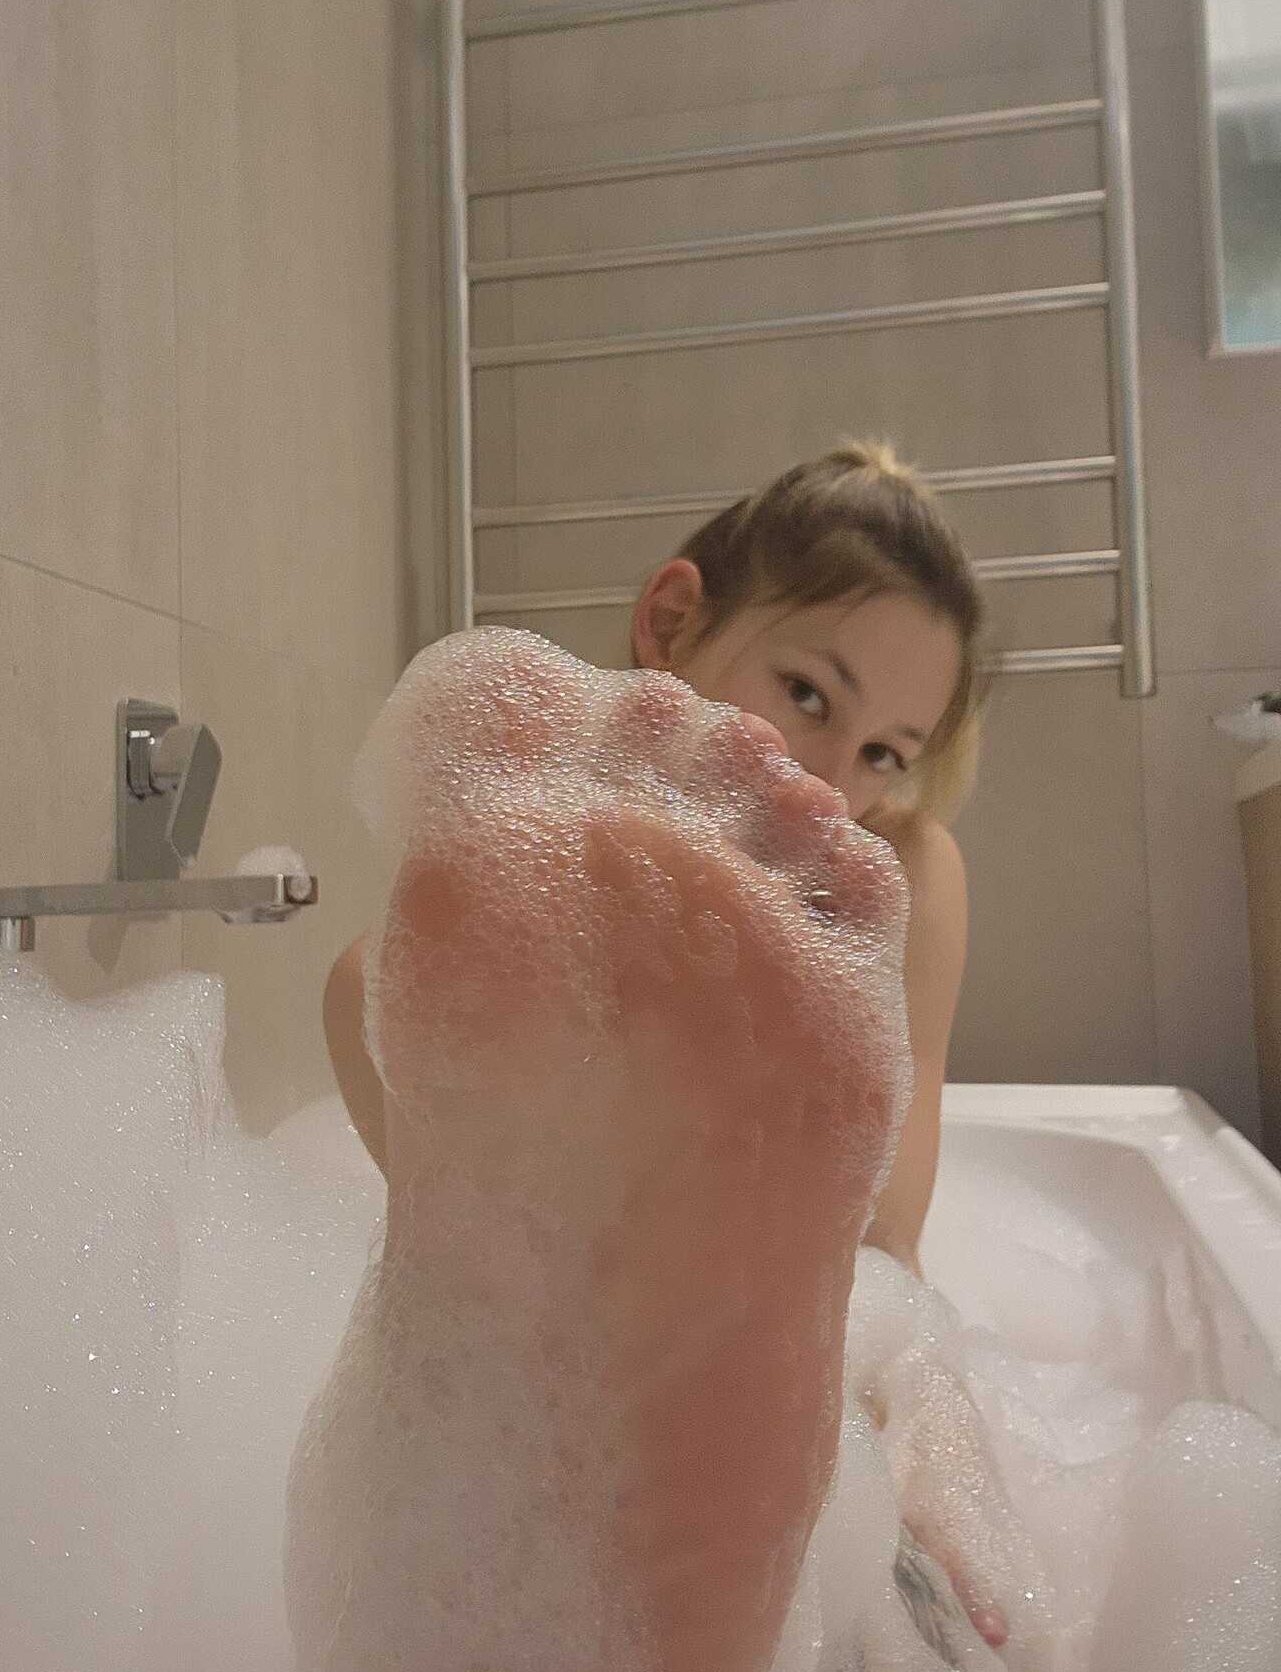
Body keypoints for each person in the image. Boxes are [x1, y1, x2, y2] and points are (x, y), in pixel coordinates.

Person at [322, 438, 988, 1277]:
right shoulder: (456, 943)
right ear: (671, 623)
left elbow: (886, 1245)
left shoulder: (904, 872)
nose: (832, 784)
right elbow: (518, 1280)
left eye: (884, 754)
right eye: (807, 694)